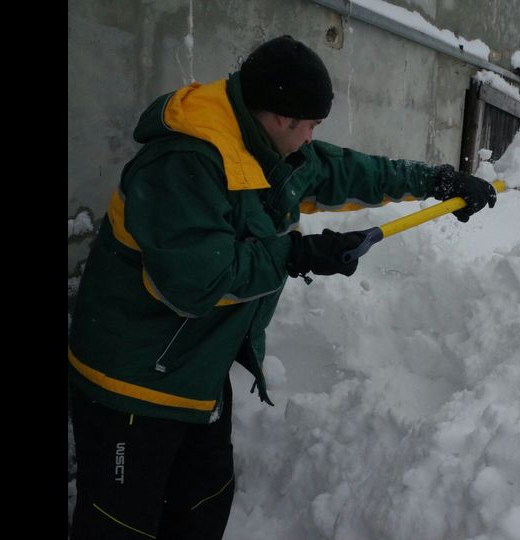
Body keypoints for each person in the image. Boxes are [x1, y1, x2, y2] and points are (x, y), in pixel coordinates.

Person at [68, 35, 496, 539]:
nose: (313, 138)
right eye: (310, 125)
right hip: (132, 380)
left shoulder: (264, 145)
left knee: (201, 503)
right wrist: (295, 253)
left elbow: (346, 170)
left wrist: (439, 181)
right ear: (277, 117)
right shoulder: (186, 161)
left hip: (193, 368)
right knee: (121, 525)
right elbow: (196, 283)